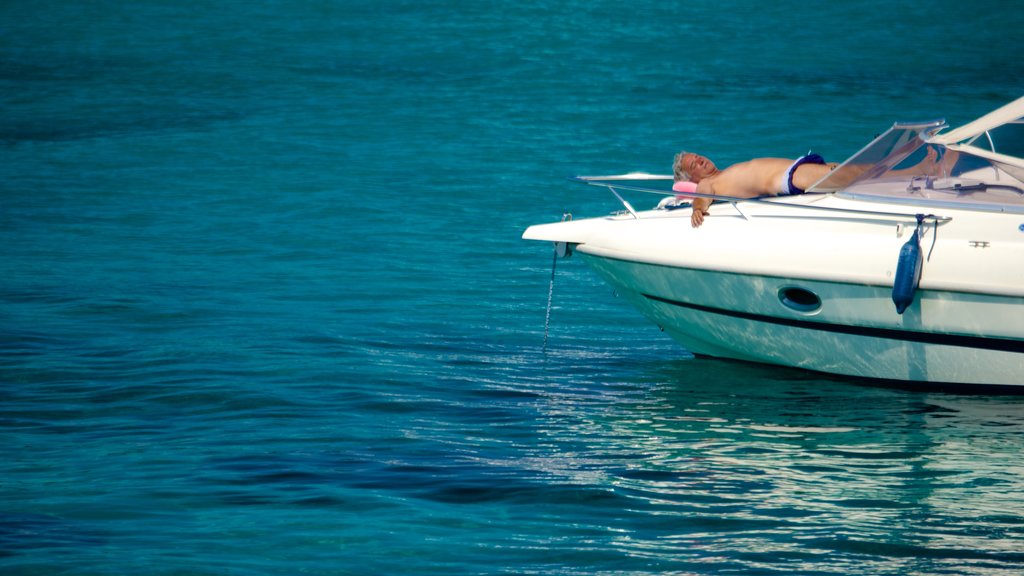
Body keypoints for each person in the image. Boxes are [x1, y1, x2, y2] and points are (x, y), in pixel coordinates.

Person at [673, 151, 838, 228]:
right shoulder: (708, 183)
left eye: (697, 156)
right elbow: (702, 197)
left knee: (852, 171)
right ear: (692, 179)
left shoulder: (724, 173)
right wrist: (697, 209)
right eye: (694, 164)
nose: (700, 159)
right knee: (852, 174)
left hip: (799, 166)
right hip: (789, 178)